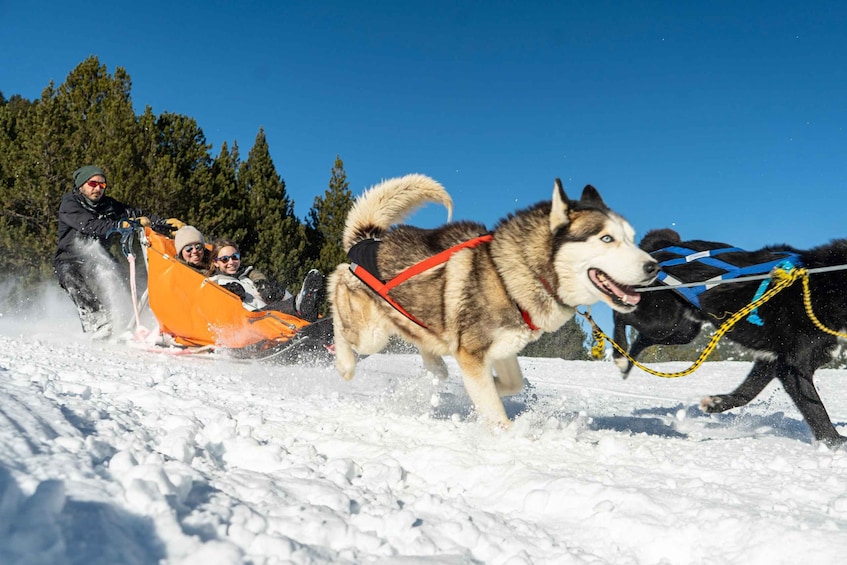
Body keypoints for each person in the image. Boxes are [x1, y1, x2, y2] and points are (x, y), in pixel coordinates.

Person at [54, 164, 184, 338]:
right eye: (93, 184)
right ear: (81, 186)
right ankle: (97, 321)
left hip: (100, 257)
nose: (98, 188)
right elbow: (89, 225)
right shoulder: (70, 203)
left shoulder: (109, 205)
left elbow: (136, 214)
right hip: (69, 258)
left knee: (125, 281)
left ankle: (146, 321)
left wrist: (164, 223)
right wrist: (119, 225)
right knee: (72, 279)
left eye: (102, 185)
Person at [207, 239, 325, 322]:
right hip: (250, 322)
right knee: (278, 310)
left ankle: (307, 309)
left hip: (269, 318)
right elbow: (211, 307)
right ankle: (300, 305)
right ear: (215, 262)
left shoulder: (247, 277)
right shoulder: (213, 283)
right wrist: (226, 294)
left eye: (234, 257)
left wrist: (273, 292)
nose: (231, 262)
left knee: (277, 292)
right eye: (224, 259)